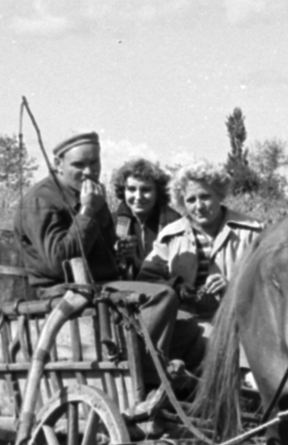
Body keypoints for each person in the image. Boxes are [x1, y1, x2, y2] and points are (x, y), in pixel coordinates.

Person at [14, 131, 179, 375]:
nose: (89, 171)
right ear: (58, 164)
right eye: (79, 165)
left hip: (101, 286)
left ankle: (153, 367)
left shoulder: (91, 193)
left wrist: (116, 251)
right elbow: (57, 263)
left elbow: (97, 247)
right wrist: (88, 211)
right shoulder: (41, 200)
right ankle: (144, 375)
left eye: (94, 163)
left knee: (187, 329)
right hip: (67, 292)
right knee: (162, 296)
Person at [140, 162, 261, 370]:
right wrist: (176, 287)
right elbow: (148, 278)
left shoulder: (251, 232)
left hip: (238, 322)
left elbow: (268, 285)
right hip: (187, 324)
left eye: (205, 196)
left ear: (219, 195)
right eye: (191, 200)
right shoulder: (171, 235)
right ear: (182, 202)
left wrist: (231, 285)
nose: (199, 206)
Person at [109, 157, 179, 281]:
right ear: (122, 191)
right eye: (131, 189)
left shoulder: (174, 223)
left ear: (158, 192)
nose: (138, 197)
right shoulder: (111, 222)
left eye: (146, 189)